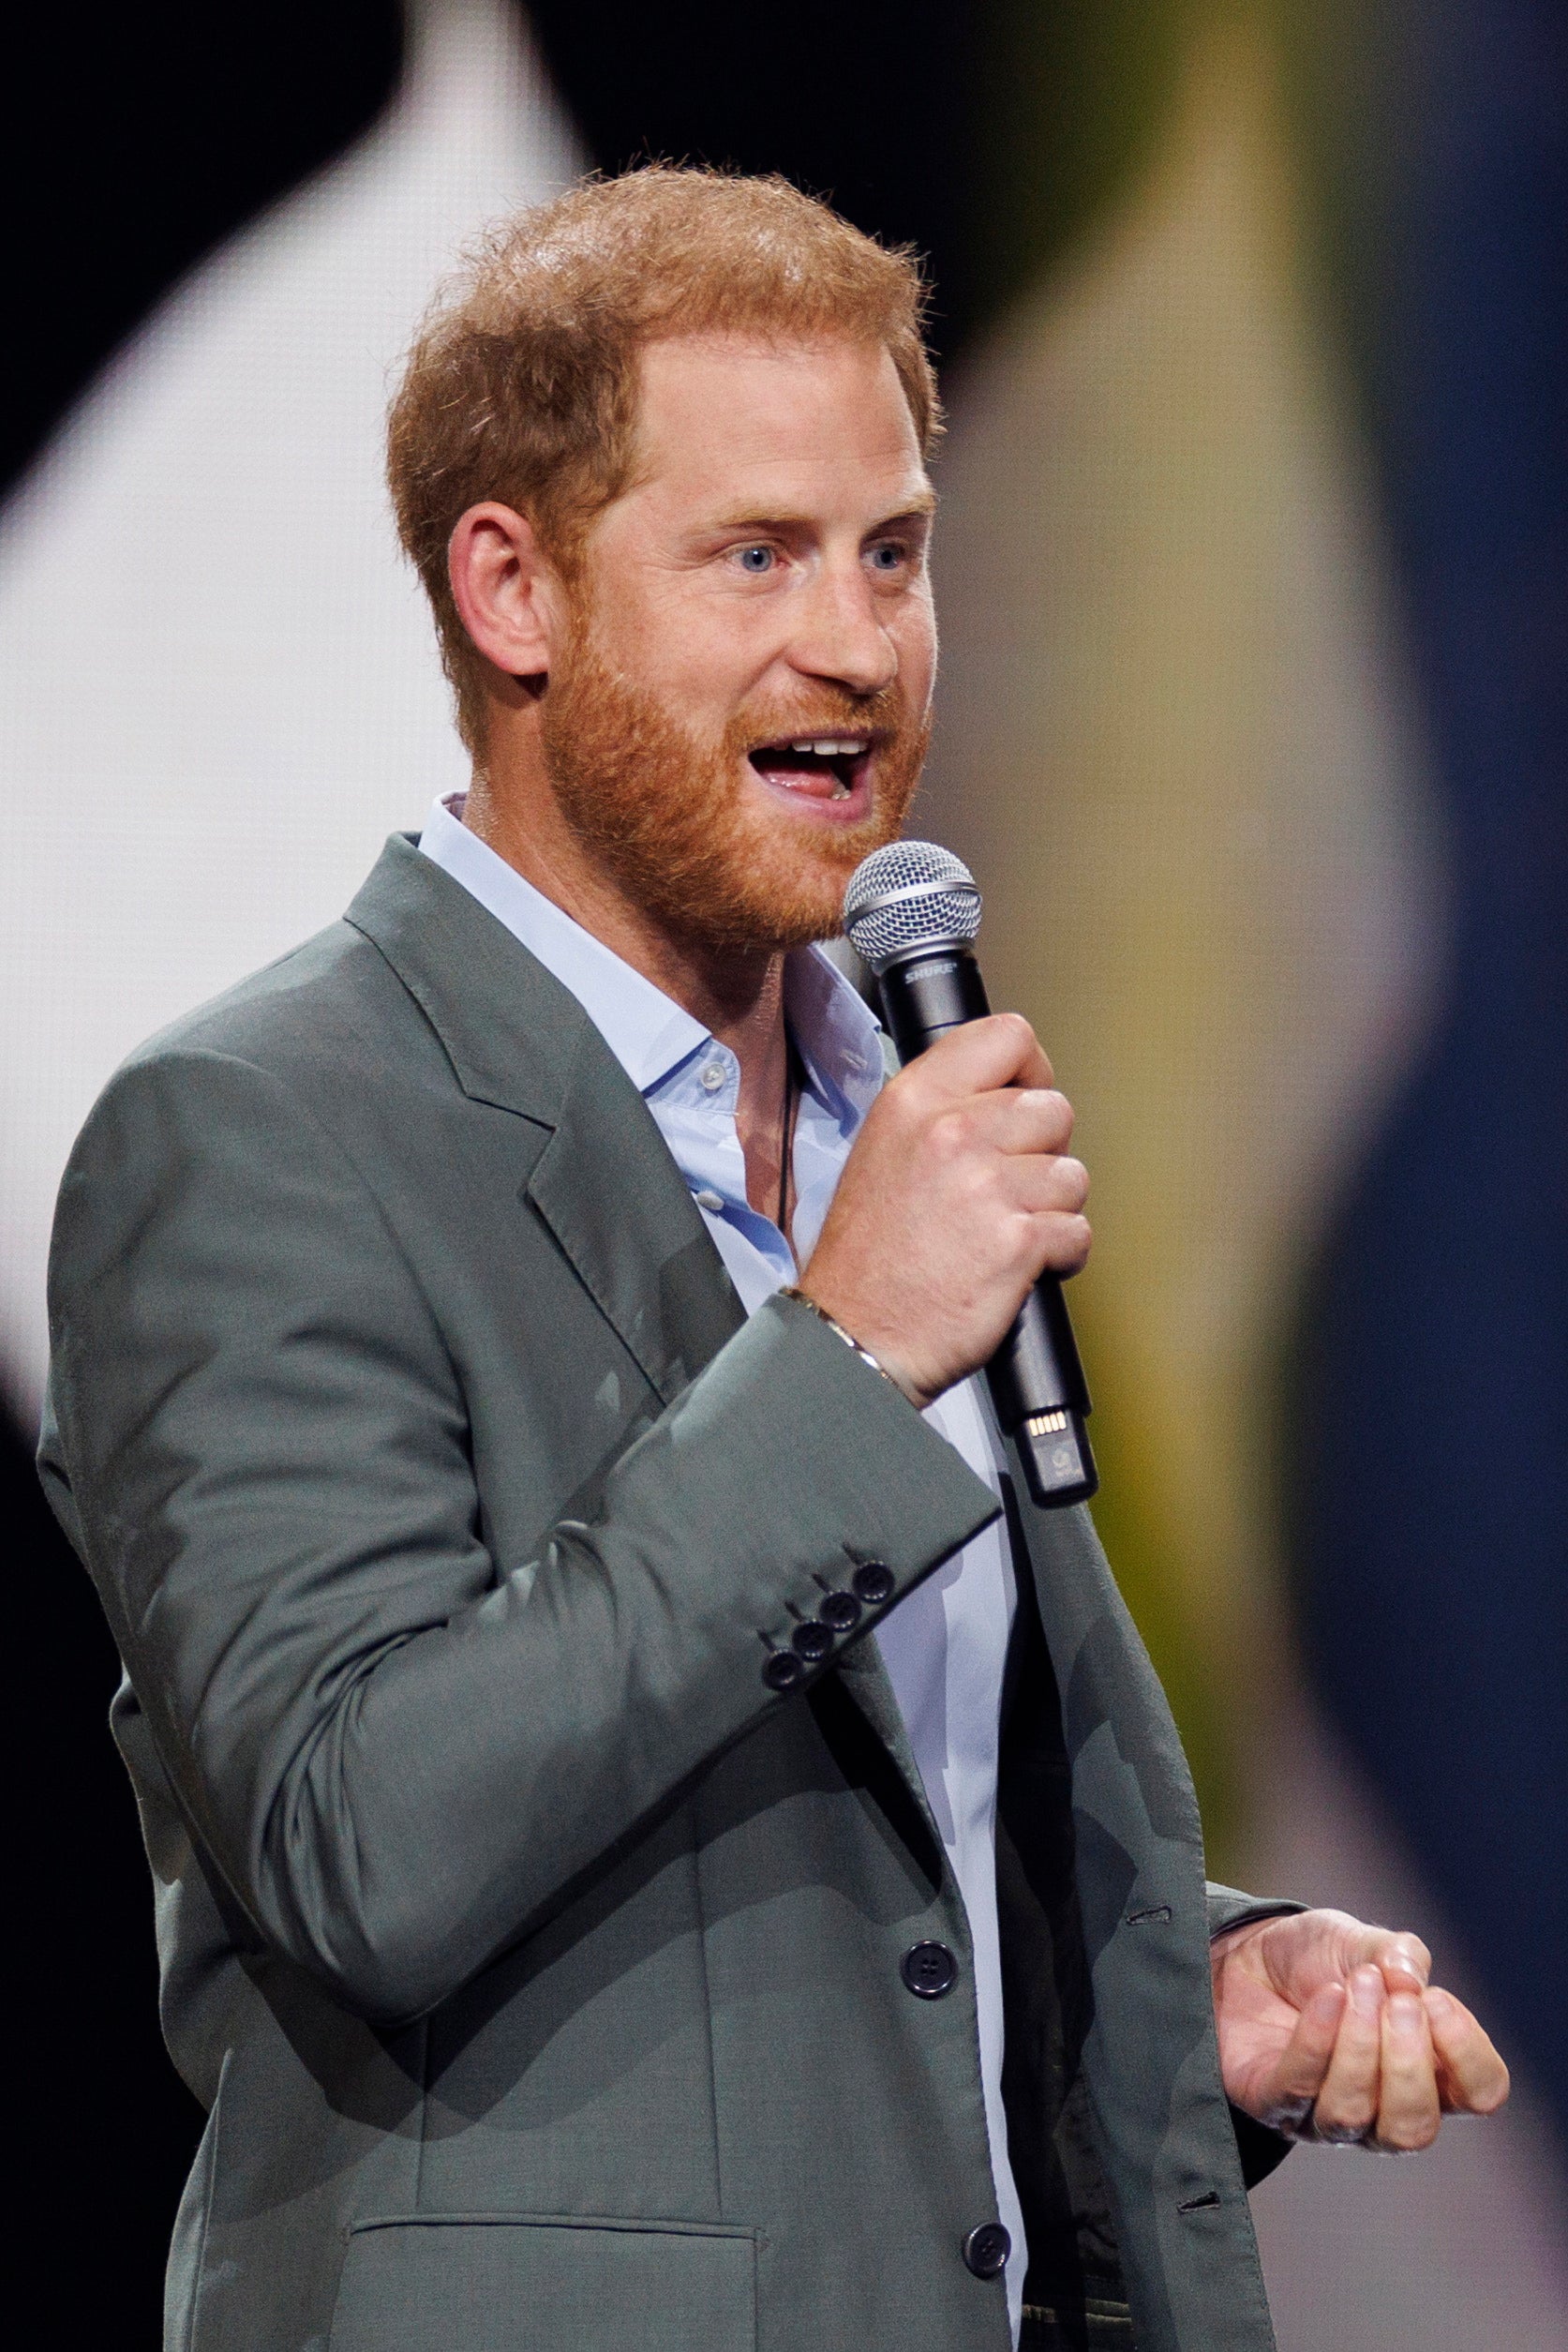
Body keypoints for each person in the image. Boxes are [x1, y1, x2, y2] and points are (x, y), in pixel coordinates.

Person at [39, 170, 1507, 2352]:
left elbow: (846, 1823)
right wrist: (842, 1348)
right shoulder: (257, 1134)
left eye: (893, 550)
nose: (860, 643)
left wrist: (1173, 1980)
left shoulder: (888, 1107)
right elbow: (366, 1836)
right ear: (513, 589)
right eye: (758, 555)